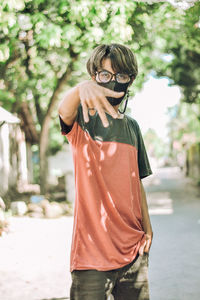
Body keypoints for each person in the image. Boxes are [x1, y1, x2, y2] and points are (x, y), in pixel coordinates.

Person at [58, 43, 153, 300]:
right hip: (91, 254)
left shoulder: (132, 127)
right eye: (105, 75)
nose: (112, 82)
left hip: (134, 250)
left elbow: (137, 183)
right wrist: (80, 89)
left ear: (130, 80)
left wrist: (148, 226)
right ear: (94, 77)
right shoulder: (81, 120)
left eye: (121, 76)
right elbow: (63, 110)